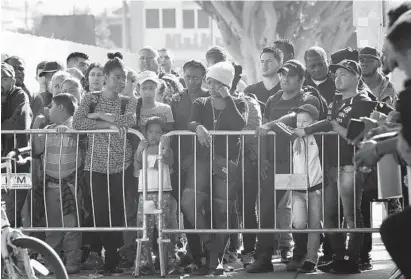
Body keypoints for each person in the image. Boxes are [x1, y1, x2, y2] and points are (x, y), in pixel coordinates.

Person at [295, 60, 372, 274]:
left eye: (344, 74)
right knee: (329, 215)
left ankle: (353, 258)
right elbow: (332, 125)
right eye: (336, 74)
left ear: (357, 77)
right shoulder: (335, 101)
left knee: (351, 215)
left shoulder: (363, 102)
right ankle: (339, 256)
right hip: (330, 165)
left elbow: (351, 134)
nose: (337, 78)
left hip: (350, 164)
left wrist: (319, 127)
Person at [248, 60, 322, 274]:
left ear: (301, 79)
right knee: (266, 209)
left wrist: (272, 124)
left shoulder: (309, 98)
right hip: (274, 163)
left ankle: (299, 256)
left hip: (299, 165)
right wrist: (262, 159)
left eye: (290, 75)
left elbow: (295, 118)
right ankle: (263, 257)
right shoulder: (273, 99)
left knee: (300, 213)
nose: (284, 79)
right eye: (282, 74)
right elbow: (264, 130)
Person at [73, 57, 138, 275]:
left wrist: (100, 115)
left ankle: (113, 254)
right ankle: (109, 253)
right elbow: (79, 123)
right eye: (116, 77)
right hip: (95, 165)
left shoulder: (129, 101)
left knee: (118, 211)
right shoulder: (90, 98)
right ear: (106, 77)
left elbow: (129, 121)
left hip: (122, 164)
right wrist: (108, 123)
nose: (121, 81)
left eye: (124, 78)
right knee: (100, 212)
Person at [182, 61, 247, 275]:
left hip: (226, 163)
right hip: (202, 160)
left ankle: (215, 260)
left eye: (216, 82)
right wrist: (198, 127)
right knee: (189, 203)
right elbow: (191, 122)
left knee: (223, 213)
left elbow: (239, 124)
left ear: (226, 84)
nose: (210, 85)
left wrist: (227, 97)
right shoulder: (201, 102)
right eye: (209, 81)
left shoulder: (238, 103)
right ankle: (210, 243)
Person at [32, 93, 82, 274]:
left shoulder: (75, 127)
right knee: (52, 227)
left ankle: (73, 261)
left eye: (51, 106)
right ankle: (51, 261)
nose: (48, 110)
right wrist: (36, 127)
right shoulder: (48, 129)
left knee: (71, 227)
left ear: (61, 108)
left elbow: (79, 139)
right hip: (50, 185)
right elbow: (37, 150)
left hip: (69, 185)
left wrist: (67, 129)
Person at [169, 60, 209, 271]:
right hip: (179, 160)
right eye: (187, 76)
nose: (191, 81)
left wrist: (194, 157)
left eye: (195, 77)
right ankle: (195, 252)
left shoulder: (209, 97)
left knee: (204, 207)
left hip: (203, 160)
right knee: (187, 209)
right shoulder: (176, 99)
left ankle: (211, 252)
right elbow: (173, 130)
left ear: (203, 77)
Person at [285, 104, 323, 274]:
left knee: (314, 223)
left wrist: (309, 130)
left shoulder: (320, 136)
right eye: (298, 120)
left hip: (316, 186)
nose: (300, 124)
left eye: (305, 121)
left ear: (314, 122)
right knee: (299, 222)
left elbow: (327, 123)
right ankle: (304, 251)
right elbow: (276, 124)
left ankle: (311, 259)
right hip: (297, 185)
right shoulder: (293, 136)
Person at [134, 117, 174, 274]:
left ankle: (163, 261)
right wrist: (138, 149)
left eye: (158, 132)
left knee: (162, 228)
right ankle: (145, 262)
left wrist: (166, 146)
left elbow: (169, 160)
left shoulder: (164, 148)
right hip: (145, 193)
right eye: (150, 132)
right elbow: (137, 165)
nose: (154, 135)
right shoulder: (142, 148)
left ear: (163, 134)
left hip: (162, 192)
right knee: (145, 228)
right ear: (145, 133)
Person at [1, 62, 33, 227]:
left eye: (4, 78)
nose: (0, 82)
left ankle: (18, 248)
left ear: (13, 80)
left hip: (17, 161)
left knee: (13, 212)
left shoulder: (20, 95)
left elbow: (19, 124)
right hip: (2, 163)